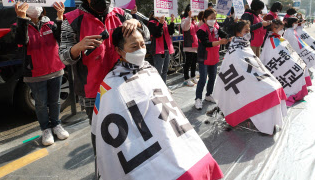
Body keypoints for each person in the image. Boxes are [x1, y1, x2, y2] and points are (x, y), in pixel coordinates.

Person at [91, 27, 224, 180]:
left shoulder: (150, 70)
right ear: (119, 50)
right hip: (143, 147)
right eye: (134, 47)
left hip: (169, 133)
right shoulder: (110, 86)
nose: (140, 50)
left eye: (142, 44)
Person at [59, 0, 150, 124]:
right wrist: (78, 47)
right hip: (94, 93)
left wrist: (137, 23)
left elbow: (146, 36)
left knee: (132, 130)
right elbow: (64, 58)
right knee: (103, 136)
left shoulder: (122, 14)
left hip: (125, 84)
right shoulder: (72, 20)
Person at [213, 20, 287, 135]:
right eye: (246, 31)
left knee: (275, 85)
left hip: (253, 78)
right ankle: (263, 123)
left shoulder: (244, 44)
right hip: (245, 81)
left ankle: (269, 122)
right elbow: (240, 70)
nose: (249, 33)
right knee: (270, 90)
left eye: (249, 30)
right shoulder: (236, 48)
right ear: (238, 33)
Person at [12, 2, 69, 146]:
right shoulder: (18, 25)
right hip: (35, 73)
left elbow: (61, 37)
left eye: (36, 3)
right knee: (41, 104)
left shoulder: (50, 24)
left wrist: (60, 17)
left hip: (56, 70)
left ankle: (56, 125)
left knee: (55, 101)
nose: (33, 7)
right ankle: (46, 129)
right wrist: (22, 18)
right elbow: (21, 40)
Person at [260, 19, 309, 106]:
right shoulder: (271, 39)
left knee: (301, 66)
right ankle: (294, 91)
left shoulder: (277, 37)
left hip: (286, 61)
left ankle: (298, 90)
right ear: (275, 29)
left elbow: (287, 50)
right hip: (279, 64)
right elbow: (275, 54)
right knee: (298, 70)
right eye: (281, 28)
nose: (283, 30)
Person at [195, 8, 230, 110]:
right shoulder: (201, 30)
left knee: (212, 78)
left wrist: (228, 37)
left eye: (215, 18)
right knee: (202, 79)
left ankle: (209, 94)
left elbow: (223, 33)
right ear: (205, 19)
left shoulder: (216, 27)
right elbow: (206, 43)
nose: (213, 20)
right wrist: (220, 42)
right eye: (211, 18)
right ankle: (198, 98)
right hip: (204, 57)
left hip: (214, 57)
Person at [148, 11, 175, 83]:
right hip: (158, 50)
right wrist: (160, 23)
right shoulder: (151, 23)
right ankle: (158, 88)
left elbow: (171, 32)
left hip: (166, 49)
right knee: (158, 71)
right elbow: (157, 34)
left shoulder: (164, 22)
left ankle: (164, 87)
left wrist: (172, 22)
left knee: (165, 71)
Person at [181, 4, 199, 86]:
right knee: (188, 63)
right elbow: (185, 28)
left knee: (194, 62)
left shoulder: (194, 21)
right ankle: (186, 78)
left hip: (195, 45)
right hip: (188, 45)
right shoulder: (185, 20)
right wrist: (189, 17)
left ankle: (192, 76)